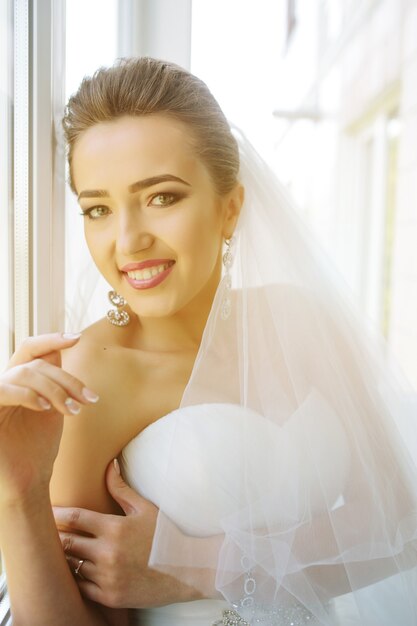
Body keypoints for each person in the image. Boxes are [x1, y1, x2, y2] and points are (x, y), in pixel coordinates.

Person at [1, 57, 417, 626]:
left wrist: (197, 566)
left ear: (230, 209)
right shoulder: (90, 379)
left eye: (161, 197)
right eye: (98, 209)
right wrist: (18, 492)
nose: (128, 241)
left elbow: (399, 520)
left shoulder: (302, 320)